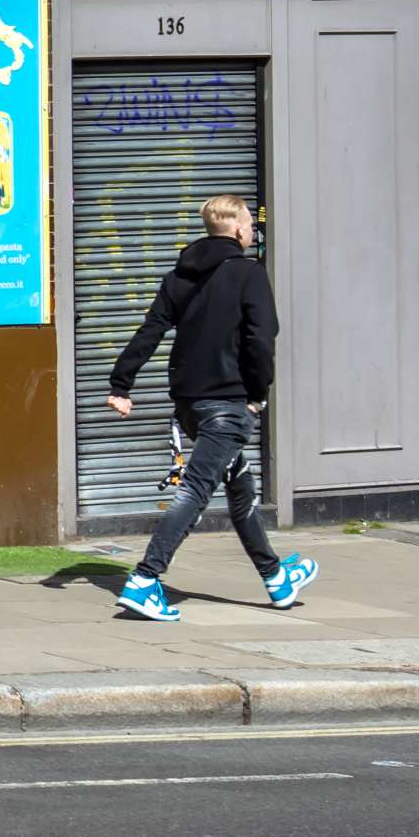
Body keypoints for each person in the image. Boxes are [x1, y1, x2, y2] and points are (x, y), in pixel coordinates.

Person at [108, 194, 312, 621]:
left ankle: (276, 579)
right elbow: (261, 340)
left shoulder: (180, 275)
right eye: (251, 226)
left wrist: (121, 383)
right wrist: (258, 394)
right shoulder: (248, 273)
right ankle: (146, 580)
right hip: (228, 404)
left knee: (240, 490)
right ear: (238, 229)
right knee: (196, 490)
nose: (253, 231)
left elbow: (151, 330)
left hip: (189, 405)